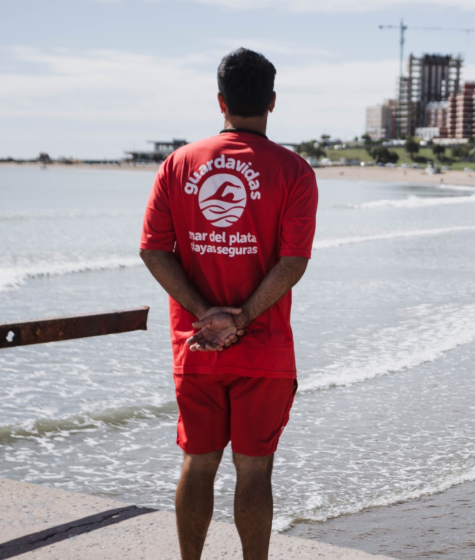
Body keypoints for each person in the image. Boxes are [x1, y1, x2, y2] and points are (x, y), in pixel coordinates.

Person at [139, 48, 318, 560]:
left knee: (198, 462)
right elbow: (292, 263)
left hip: (197, 345)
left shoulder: (179, 164)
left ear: (220, 100)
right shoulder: (294, 172)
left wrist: (206, 315)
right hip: (263, 351)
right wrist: (243, 318)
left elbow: (154, 250)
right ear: (272, 102)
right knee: (255, 467)